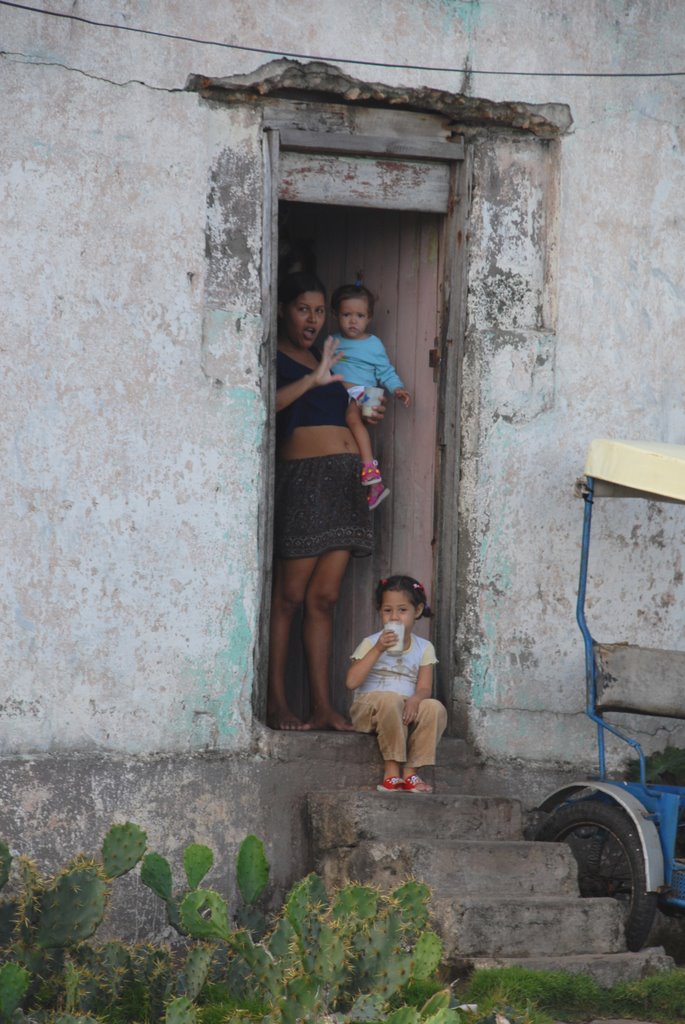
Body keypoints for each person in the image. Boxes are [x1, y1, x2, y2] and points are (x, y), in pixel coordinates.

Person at [268, 272, 377, 732]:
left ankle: (323, 706)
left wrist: (365, 411)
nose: (311, 318)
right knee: (290, 597)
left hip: (343, 485)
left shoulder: (328, 357)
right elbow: (265, 405)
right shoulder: (273, 356)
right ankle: (277, 701)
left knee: (324, 598)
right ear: (283, 311)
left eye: (317, 310)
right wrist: (312, 381)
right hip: (306, 482)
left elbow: (348, 413)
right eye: (302, 309)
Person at [345, 575, 447, 792]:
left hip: (403, 710)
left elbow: (424, 688)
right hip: (369, 709)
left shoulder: (424, 647)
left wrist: (416, 699)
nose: (395, 617)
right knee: (391, 700)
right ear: (380, 612)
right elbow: (352, 682)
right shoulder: (371, 643)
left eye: (402, 610)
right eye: (387, 610)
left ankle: (411, 773)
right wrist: (378, 649)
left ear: (417, 611)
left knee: (434, 707)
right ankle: (391, 772)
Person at [331, 283, 411, 511]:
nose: (353, 321)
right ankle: (363, 481)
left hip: (365, 393)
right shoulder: (332, 341)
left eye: (359, 315)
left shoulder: (373, 344)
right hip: (341, 393)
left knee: (353, 420)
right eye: (346, 315)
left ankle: (371, 473)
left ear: (369, 317)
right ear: (335, 315)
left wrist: (397, 388)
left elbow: (385, 371)